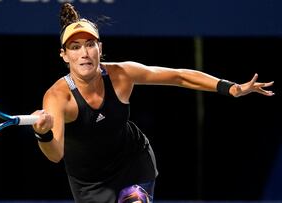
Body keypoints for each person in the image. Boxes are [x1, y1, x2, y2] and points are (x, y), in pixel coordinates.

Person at [31, 3, 274, 203]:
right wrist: (43, 134)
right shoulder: (57, 96)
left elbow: (178, 76)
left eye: (90, 44)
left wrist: (230, 87)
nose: (84, 53)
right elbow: (55, 154)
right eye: (75, 47)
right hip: (90, 184)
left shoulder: (121, 75)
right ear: (65, 55)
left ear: (99, 48)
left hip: (133, 163)